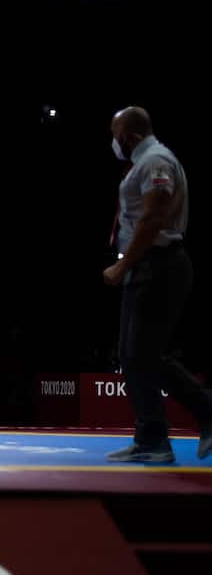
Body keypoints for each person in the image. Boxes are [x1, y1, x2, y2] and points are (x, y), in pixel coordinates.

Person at [102, 107, 212, 463]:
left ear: (129, 136)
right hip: (148, 266)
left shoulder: (155, 161)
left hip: (159, 266)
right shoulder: (145, 161)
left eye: (115, 134)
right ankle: (152, 440)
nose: (113, 142)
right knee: (133, 357)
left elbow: (153, 219)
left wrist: (124, 266)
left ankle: (203, 413)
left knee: (144, 355)